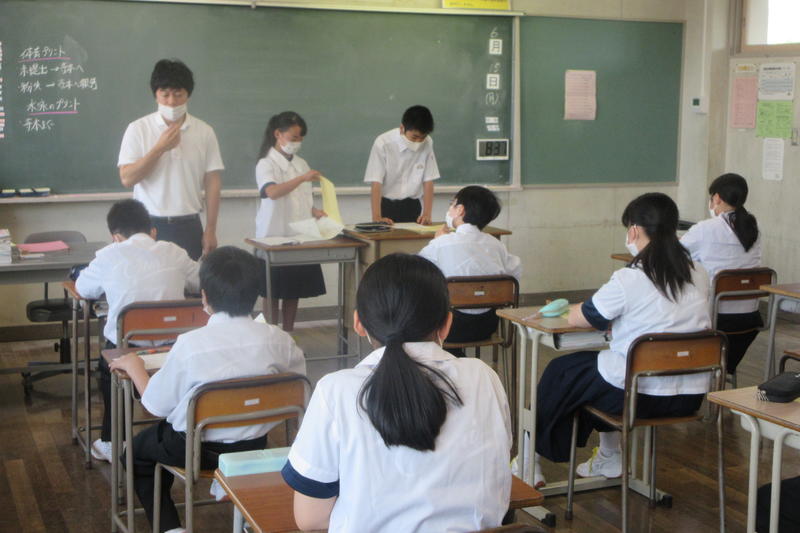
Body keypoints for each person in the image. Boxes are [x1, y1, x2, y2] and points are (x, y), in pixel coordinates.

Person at [281, 253, 512, 532]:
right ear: (447, 324)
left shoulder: (336, 391)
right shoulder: (484, 377)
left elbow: (310, 519)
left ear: (358, 323)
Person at [109, 246, 306, 533]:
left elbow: (155, 405)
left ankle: (171, 528)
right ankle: (230, 489)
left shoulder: (191, 344)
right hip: (254, 445)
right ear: (256, 294)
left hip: (194, 449)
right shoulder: (280, 340)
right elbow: (299, 389)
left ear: (204, 296)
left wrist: (135, 366)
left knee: (136, 452)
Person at [534, 193, 711, 488]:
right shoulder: (700, 273)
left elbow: (584, 318)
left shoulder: (630, 278)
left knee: (562, 373)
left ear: (634, 230)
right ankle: (609, 455)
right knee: (597, 373)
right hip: (688, 397)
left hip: (636, 396)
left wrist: (568, 308)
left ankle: (530, 463)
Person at [75, 199, 199, 464]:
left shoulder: (109, 254)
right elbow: (199, 281)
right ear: (152, 230)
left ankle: (112, 441)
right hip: (171, 349)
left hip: (126, 350)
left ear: (116, 236)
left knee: (107, 359)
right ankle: (176, 432)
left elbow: (83, 289)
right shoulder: (174, 251)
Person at [118, 59, 224, 260]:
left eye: (178, 94)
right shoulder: (138, 129)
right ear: (155, 95)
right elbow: (127, 178)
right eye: (165, 95)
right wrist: (159, 148)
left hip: (188, 223)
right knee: (147, 279)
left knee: (189, 279)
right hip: (147, 224)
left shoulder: (205, 131)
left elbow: (212, 183)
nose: (172, 102)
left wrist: (211, 229)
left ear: (188, 95)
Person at [418, 185, 521, 356]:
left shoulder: (441, 244)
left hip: (448, 328)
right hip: (488, 326)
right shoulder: (497, 245)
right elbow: (514, 277)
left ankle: (449, 360)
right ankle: (457, 359)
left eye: (452, 204)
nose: (449, 209)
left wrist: (437, 242)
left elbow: (416, 273)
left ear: (460, 210)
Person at [681, 173, 762, 377]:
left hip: (716, 319)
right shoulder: (754, 229)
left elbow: (672, 256)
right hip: (749, 321)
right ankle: (719, 373)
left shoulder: (705, 229)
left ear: (716, 198)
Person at [254, 111, 327, 331]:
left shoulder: (302, 164)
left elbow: (301, 200)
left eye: (301, 138)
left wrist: (315, 211)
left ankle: (287, 333)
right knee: (272, 291)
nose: (298, 142)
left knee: (293, 290)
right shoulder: (266, 163)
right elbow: (272, 192)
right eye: (294, 137)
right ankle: (270, 334)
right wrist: (302, 178)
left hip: (300, 236)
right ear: (278, 134)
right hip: (273, 236)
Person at [364, 105, 440, 224]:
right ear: (402, 128)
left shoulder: (428, 142)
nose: (418, 142)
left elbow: (428, 180)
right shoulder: (383, 143)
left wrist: (427, 214)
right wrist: (376, 217)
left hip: (412, 206)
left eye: (422, 137)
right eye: (415, 137)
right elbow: (376, 182)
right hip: (387, 205)